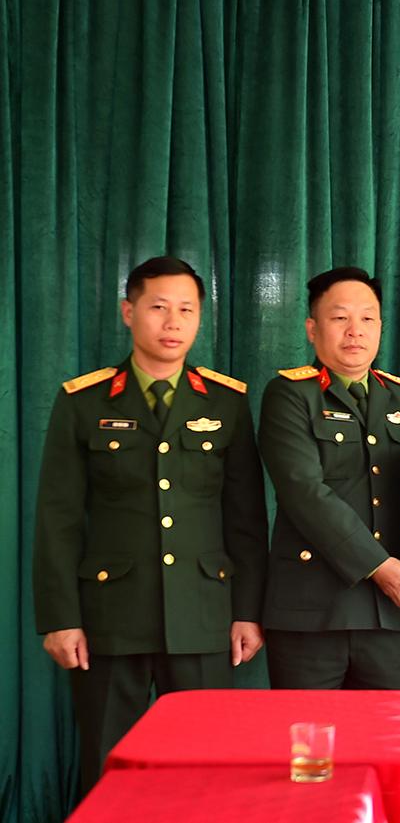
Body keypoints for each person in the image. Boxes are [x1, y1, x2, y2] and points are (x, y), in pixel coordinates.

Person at [32, 256, 268, 793]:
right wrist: (60, 619)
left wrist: (248, 612)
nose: (173, 322)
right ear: (128, 312)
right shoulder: (83, 401)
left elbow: (247, 519)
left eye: (187, 310)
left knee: (206, 771)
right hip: (111, 617)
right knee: (110, 767)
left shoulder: (227, 401)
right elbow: (58, 518)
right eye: (158, 308)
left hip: (203, 615)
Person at [258, 266, 400, 690]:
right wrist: (378, 566)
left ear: (381, 327)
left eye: (367, 318)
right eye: (339, 317)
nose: (355, 330)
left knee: (391, 731)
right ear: (312, 329)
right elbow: (304, 492)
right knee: (309, 733)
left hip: (390, 612)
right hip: (311, 612)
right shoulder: (290, 394)